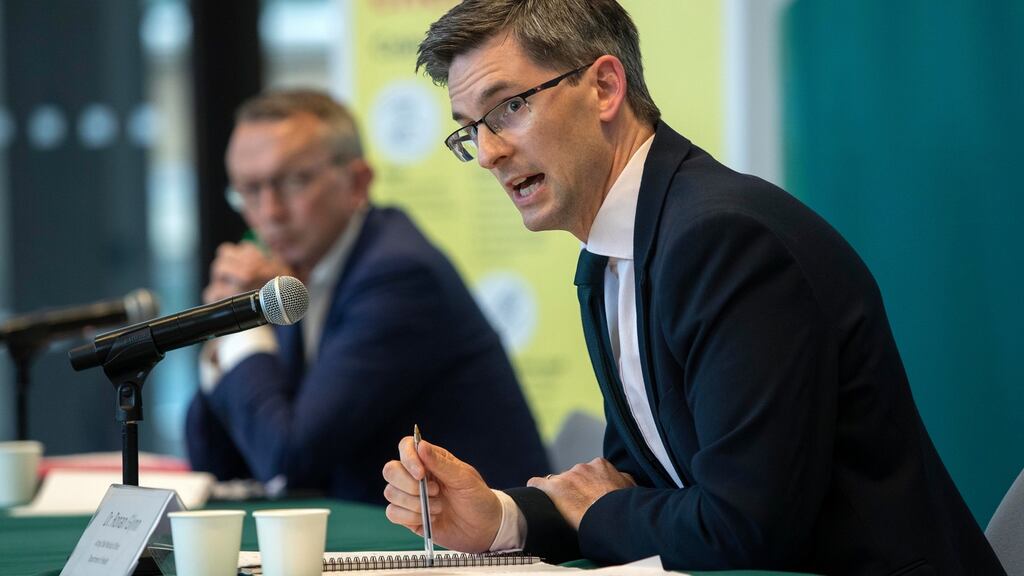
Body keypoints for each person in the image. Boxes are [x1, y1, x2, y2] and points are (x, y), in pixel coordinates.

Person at [380, 1, 1006, 574]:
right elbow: (642, 484)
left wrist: (600, 509)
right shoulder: (613, 254)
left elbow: (743, 527)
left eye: (508, 108)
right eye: (471, 128)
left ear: (604, 87)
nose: (488, 153)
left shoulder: (725, 240)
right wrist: (501, 519)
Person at [186, 89, 550, 505]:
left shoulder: (398, 276)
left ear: (358, 183)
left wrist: (243, 332)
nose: (270, 212)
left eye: (294, 181)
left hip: (479, 536)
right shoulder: (291, 277)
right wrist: (225, 338)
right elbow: (217, 464)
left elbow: (287, 460)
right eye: (249, 190)